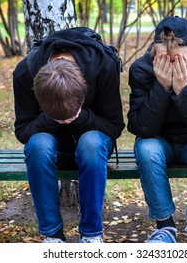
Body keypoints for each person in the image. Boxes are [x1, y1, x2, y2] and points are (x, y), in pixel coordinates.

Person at [13, 27, 125, 243]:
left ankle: (91, 234)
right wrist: (49, 118)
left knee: (91, 143)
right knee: (38, 145)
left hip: (93, 144)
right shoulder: (24, 72)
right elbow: (23, 131)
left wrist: (80, 117)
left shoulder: (104, 67)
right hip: (50, 146)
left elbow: (114, 127)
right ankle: (52, 234)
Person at [127, 16, 187, 243]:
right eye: (164, 57)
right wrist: (161, 86)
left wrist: (183, 89)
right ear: (154, 52)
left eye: (178, 58)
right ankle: (164, 226)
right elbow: (141, 127)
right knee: (146, 149)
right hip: (158, 139)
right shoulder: (141, 70)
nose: (171, 63)